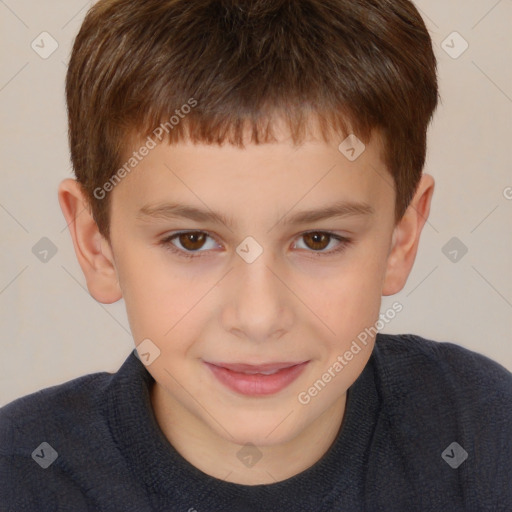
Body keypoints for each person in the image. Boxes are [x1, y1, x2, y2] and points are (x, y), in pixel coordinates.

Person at [1, 0, 511, 510]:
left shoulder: (485, 435)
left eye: (318, 240)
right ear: (98, 246)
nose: (259, 317)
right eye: (192, 240)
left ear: (401, 238)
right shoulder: (20, 477)